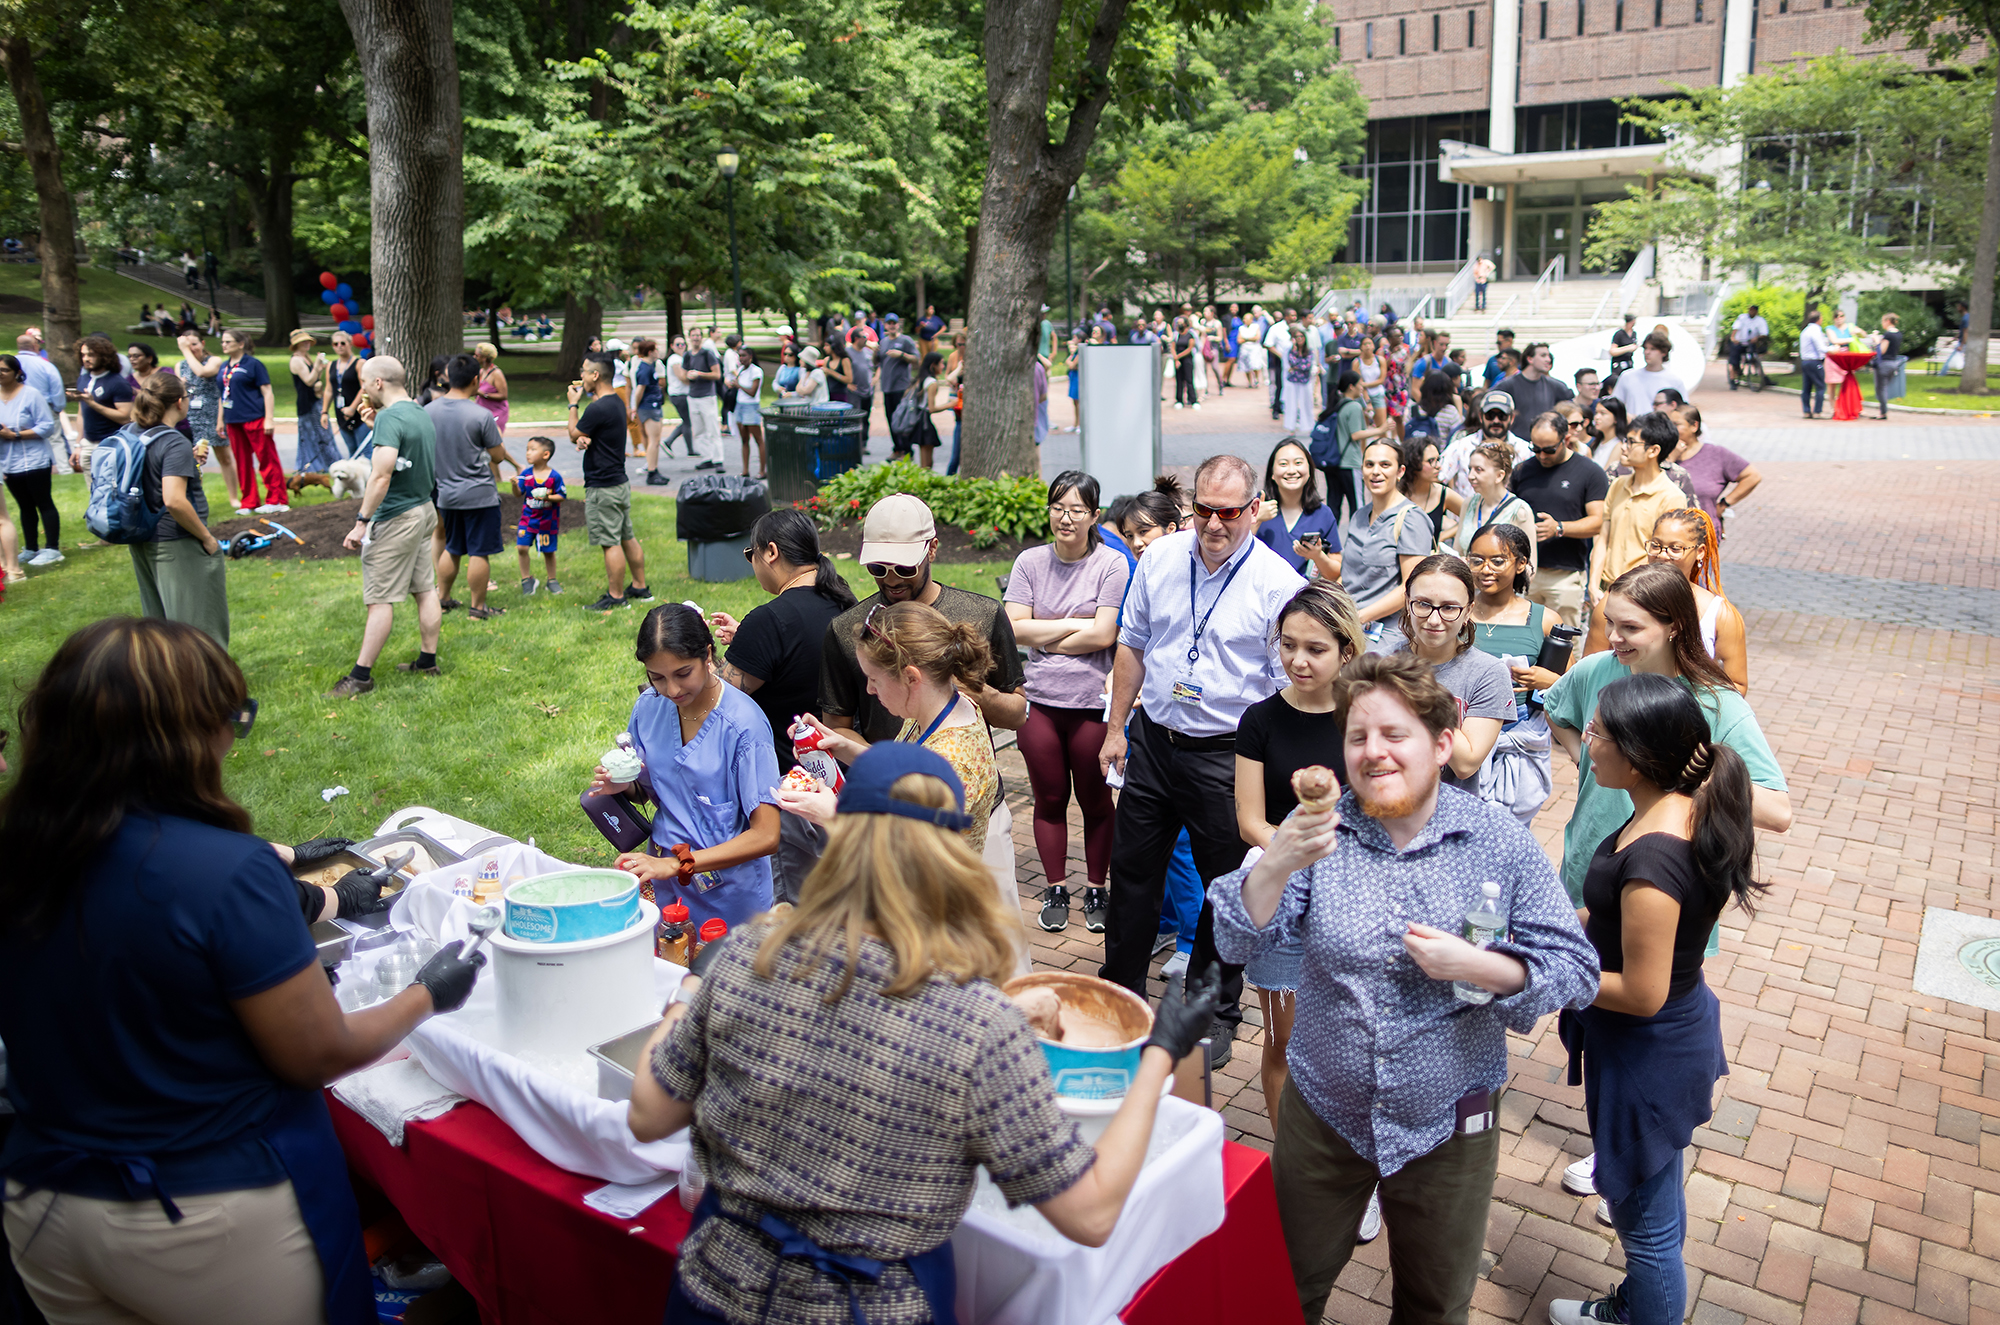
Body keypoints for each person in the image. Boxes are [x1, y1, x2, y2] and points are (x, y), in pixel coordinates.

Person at [628, 741, 1220, 1325]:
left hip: (716, 1290)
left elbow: (649, 1117)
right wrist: (1159, 1057)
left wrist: (689, 994)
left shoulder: (747, 957)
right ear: (949, 860)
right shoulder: (976, 1025)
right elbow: (1090, 1216)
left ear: (840, 841)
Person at [0, 617, 487, 1325]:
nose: (231, 736)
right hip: (203, 1215)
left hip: (44, 1202)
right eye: (228, 718)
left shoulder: (22, 852)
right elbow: (317, 1052)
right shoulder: (226, 874)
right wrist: (427, 992)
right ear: (183, 738)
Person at [1210, 651, 1599, 1325]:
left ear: (1443, 743)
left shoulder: (1496, 841)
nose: (1373, 752)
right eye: (1358, 736)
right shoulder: (1321, 837)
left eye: (1395, 734)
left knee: (1434, 1306)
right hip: (1323, 1112)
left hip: (1448, 1124)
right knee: (1280, 1287)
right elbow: (1232, 939)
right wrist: (1276, 858)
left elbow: (1575, 966)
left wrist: (1482, 967)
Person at [1541, 564, 1790, 1222]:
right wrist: (1580, 750)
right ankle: (1614, 1149)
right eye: (1609, 622)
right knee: (1602, 1033)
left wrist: (1685, 777)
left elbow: (1780, 808)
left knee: (1648, 1023)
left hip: (1664, 888)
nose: (1613, 638)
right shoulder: (1597, 673)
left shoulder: (1717, 704)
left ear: (1674, 625)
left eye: (1629, 627)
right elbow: (1556, 710)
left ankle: (1640, 1158)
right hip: (1594, 869)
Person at [1546, 674, 1758, 1325]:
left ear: (1636, 754)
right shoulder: (1673, 802)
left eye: (1600, 732)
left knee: (1649, 1231)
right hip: (1662, 1044)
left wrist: (1553, 975)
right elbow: (1609, 912)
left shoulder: (1657, 860)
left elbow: (1642, 992)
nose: (1587, 742)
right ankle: (1633, 1306)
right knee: (1655, 1201)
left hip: (1647, 1057)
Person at [1097, 455, 1306, 1064]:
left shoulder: (1278, 585)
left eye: (1230, 512)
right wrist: (1117, 727)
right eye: (1206, 511)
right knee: (1133, 874)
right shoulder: (1160, 558)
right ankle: (1120, 993)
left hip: (1226, 757)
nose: (1215, 525)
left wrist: (1266, 776)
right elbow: (1133, 645)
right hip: (1155, 743)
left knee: (1223, 888)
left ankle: (1215, 1006)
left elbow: (1283, 692)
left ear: (1255, 508)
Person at [1231, 582, 1366, 1145]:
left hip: (1357, 895)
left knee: (1355, 1038)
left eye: (1315, 648)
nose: (1297, 660)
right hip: (1282, 891)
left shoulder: (1365, 718)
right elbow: (1250, 820)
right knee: (1284, 1037)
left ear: (1346, 652)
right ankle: (1295, 1162)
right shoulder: (1260, 720)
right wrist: (1298, 859)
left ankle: (1352, 1164)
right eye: (1288, 645)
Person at [588, 605, 780, 929]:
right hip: (665, 883)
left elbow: (766, 835)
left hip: (731, 901)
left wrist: (679, 864)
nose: (672, 690)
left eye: (682, 673)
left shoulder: (744, 727)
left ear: (708, 654)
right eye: (657, 677)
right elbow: (656, 788)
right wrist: (625, 785)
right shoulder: (649, 707)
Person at [707, 509, 857, 903]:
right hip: (842, 780)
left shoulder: (771, 619)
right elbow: (801, 659)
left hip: (791, 795)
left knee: (791, 907)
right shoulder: (843, 601)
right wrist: (748, 641)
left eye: (750, 554)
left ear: (770, 552)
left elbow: (718, 699)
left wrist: (703, 659)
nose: (753, 564)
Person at [1003, 471, 1130, 931]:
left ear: (1095, 516)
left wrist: (1046, 632)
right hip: (1038, 702)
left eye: (1077, 510)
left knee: (1097, 802)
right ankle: (1056, 885)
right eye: (1058, 507)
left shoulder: (1112, 564)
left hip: (1091, 702)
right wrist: (1075, 625)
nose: (1066, 518)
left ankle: (1097, 887)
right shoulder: (1030, 562)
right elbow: (1013, 627)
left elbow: (1105, 633)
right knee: (1049, 799)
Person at [795, 600, 1006, 862]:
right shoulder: (933, 709)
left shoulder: (952, 762)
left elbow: (905, 852)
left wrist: (832, 815)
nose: (870, 690)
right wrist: (842, 746)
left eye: (874, 679)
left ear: (911, 677)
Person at [820, 495, 1026, 748]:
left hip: (967, 779)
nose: (892, 579)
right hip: (891, 784)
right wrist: (889, 767)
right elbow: (837, 725)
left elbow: (1016, 715)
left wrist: (970, 688)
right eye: (878, 568)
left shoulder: (983, 613)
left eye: (905, 568)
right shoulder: (848, 629)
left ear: (932, 549)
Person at [326, 356, 444, 698]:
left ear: (378, 383)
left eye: (363, 382)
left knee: (379, 599)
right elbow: (405, 452)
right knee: (425, 589)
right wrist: (377, 423)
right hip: (424, 511)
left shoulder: (392, 418)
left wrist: (361, 522)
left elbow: (381, 474)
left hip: (396, 517)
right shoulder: (418, 411)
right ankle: (427, 661)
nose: (360, 388)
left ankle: (360, 677)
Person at [1586, 507, 1749, 693]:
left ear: (1700, 552)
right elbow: (1589, 674)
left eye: (1675, 548)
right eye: (1656, 545)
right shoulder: (1614, 602)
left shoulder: (1720, 615)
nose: (1662, 555)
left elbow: (1736, 684)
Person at [1390, 555, 1517, 793]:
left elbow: (1466, 764)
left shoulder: (1487, 673)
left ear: (1468, 611)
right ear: (1408, 603)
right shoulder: (1379, 663)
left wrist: (1415, 690)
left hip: (1450, 814)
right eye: (1423, 604)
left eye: (1449, 608)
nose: (1434, 619)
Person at [1465, 524, 1558, 824]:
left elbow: (1568, 688)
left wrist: (1546, 681)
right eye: (1476, 559)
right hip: (1461, 736)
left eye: (1497, 560)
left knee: (1509, 838)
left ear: (1520, 564)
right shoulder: (1455, 613)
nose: (1485, 569)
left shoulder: (1544, 620)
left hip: (1518, 741)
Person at [126, 374, 229, 645]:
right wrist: (207, 538)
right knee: (196, 629)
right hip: (175, 541)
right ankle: (205, 684)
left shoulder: (132, 432)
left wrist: (189, 463)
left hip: (140, 537)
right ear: (180, 402)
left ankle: (165, 683)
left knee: (159, 627)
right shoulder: (173, 441)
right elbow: (173, 500)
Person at [427, 353, 513, 621]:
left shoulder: (428, 411)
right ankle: (477, 608)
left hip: (446, 494)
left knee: (452, 547)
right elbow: (497, 456)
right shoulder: (481, 415)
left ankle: (442, 600)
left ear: (447, 377)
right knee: (479, 551)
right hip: (479, 495)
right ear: (476, 380)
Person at [569, 354, 653, 613]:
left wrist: (573, 404)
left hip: (603, 485)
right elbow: (590, 436)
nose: (581, 376)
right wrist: (586, 440)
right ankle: (640, 587)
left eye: (584, 371)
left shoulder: (596, 408)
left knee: (611, 541)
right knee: (626, 535)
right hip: (619, 482)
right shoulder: (616, 401)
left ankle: (616, 596)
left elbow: (574, 432)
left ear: (595, 375)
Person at [1510, 411, 1607, 629]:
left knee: (1563, 643)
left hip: (1565, 575)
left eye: (1549, 449)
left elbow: (1598, 522)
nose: (1542, 455)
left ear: (1566, 439)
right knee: (1523, 637)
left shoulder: (1590, 472)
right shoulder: (1522, 470)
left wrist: (1560, 528)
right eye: (1535, 448)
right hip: (1525, 571)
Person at [1340, 438, 1435, 634]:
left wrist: (1361, 617)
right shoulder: (1359, 515)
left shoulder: (1411, 518)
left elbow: (1412, 587)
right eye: (1369, 465)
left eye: (1385, 465)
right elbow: (1349, 576)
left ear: (1400, 471)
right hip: (1346, 624)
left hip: (1385, 633)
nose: (1376, 471)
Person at [1596, 411, 1684, 594]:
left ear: (1653, 450)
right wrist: (1593, 585)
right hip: (1605, 588)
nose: (1623, 447)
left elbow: (1665, 559)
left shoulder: (1671, 496)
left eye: (1631, 442)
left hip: (1641, 593)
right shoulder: (1618, 485)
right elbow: (1602, 539)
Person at [0, 354, 61, 569]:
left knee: (43, 502)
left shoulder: (31, 395)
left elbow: (47, 426)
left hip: (35, 460)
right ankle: (31, 548)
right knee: (24, 507)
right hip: (9, 462)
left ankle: (52, 548)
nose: (0, 374)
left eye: (4, 370)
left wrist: (16, 435)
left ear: (17, 373)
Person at [216, 330, 286, 515]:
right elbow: (222, 396)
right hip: (233, 420)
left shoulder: (253, 364)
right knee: (242, 461)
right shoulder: (224, 367)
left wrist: (269, 418)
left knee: (266, 459)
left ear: (241, 344)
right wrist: (220, 420)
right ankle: (249, 501)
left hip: (254, 417)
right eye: (223, 341)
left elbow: (267, 392)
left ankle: (276, 499)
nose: (224, 345)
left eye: (228, 341)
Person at [1255, 437, 1342, 578]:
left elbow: (1335, 573)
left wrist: (1318, 556)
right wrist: (1254, 521)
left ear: (1309, 470)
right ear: (1272, 473)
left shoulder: (1323, 514)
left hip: (1303, 597)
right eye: (1283, 464)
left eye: (1298, 463)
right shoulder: (1256, 507)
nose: (1291, 470)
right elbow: (1231, 556)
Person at [1668, 403, 1759, 527]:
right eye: (1669, 425)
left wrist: (1725, 503)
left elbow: (1752, 476)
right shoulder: (1663, 454)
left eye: (1676, 425)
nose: (1671, 429)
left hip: (1703, 533)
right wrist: (1671, 458)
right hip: (1668, 532)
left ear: (1694, 426)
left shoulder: (1716, 454)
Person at [68, 333, 136, 479]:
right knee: (93, 495)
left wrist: (92, 403)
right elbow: (81, 414)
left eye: (91, 355)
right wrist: (78, 444)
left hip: (111, 444)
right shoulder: (84, 378)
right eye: (83, 354)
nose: (86, 359)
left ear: (104, 356)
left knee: (111, 493)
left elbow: (125, 417)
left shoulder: (117, 382)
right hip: (88, 444)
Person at [514, 435, 565, 596]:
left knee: (548, 551)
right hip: (527, 520)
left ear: (545, 455)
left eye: (532, 449)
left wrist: (547, 497)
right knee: (522, 547)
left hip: (547, 522)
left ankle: (552, 580)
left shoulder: (554, 476)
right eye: (527, 450)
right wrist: (514, 485)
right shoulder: (526, 475)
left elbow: (562, 496)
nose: (528, 453)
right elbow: (518, 494)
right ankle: (526, 580)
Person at [287, 330, 341, 475]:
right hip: (307, 404)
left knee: (323, 432)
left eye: (307, 341)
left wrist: (320, 369)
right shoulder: (296, 360)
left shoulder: (306, 358)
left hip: (315, 400)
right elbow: (309, 381)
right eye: (303, 342)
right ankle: (312, 465)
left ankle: (328, 462)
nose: (306, 344)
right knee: (311, 434)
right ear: (296, 344)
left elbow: (316, 379)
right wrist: (317, 365)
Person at [1496, 342, 1574, 440]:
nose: (1548, 360)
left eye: (1549, 356)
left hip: (1546, 444)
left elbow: (1572, 408)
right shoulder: (1507, 385)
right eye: (1543, 355)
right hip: (1517, 445)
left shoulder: (1555, 386)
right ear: (1530, 359)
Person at [1399, 435, 1456, 550]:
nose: (1438, 466)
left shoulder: (1443, 494)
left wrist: (1445, 534)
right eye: (1431, 461)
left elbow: (1471, 515)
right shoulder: (1397, 493)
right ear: (1414, 464)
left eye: (1438, 460)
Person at [1609, 332, 1683, 422]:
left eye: (1653, 349)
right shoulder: (1627, 376)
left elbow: (1682, 411)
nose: (1647, 352)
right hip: (1633, 430)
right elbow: (1615, 406)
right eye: (1645, 348)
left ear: (1663, 352)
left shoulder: (1674, 381)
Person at [324, 329, 371, 462]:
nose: (339, 346)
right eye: (335, 344)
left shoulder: (359, 363)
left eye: (343, 343)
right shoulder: (331, 365)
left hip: (359, 413)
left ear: (350, 344)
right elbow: (328, 389)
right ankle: (354, 480)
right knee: (352, 450)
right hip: (341, 413)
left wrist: (352, 407)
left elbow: (364, 388)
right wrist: (324, 411)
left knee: (365, 450)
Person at [682, 333, 725, 472]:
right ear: (689, 337)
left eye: (698, 335)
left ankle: (718, 460)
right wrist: (688, 375)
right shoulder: (688, 355)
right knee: (699, 430)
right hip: (693, 396)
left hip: (707, 396)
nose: (696, 338)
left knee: (712, 429)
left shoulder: (708, 354)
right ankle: (707, 458)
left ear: (701, 337)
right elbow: (683, 375)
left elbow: (717, 375)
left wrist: (700, 374)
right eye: (693, 336)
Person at [629, 337, 668, 486]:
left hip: (650, 405)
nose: (658, 352)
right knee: (654, 440)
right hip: (649, 406)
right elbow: (639, 389)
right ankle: (652, 471)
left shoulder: (649, 366)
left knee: (654, 440)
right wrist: (635, 407)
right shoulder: (645, 368)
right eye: (656, 349)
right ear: (650, 352)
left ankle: (654, 469)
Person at [1869, 312, 1907, 419]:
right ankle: (1883, 411)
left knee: (1881, 389)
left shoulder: (1888, 335)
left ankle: (1883, 413)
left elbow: (1882, 350)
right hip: (1893, 363)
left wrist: (1877, 341)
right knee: (1884, 388)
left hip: (1884, 364)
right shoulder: (1899, 334)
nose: (1882, 324)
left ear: (1887, 321)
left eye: (1883, 321)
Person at [1726, 303, 1768, 391]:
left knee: (1754, 357)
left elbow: (1764, 333)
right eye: (1750, 310)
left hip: (1749, 342)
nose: (1751, 312)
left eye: (1753, 310)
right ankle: (1733, 380)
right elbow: (1735, 328)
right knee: (1734, 361)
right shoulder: (1742, 318)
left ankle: (1761, 376)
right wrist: (1733, 338)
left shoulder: (1760, 320)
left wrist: (1757, 337)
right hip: (1739, 342)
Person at [1588, 395, 1629, 472]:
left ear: (1616, 418)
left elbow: (1607, 474)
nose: (1597, 417)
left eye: (1603, 413)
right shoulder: (1597, 442)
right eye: (1596, 413)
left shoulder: (1619, 445)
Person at [1607, 312, 1638, 380]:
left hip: (1629, 362)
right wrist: (1628, 348)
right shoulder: (1619, 334)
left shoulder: (1633, 333)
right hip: (1619, 363)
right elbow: (1613, 351)